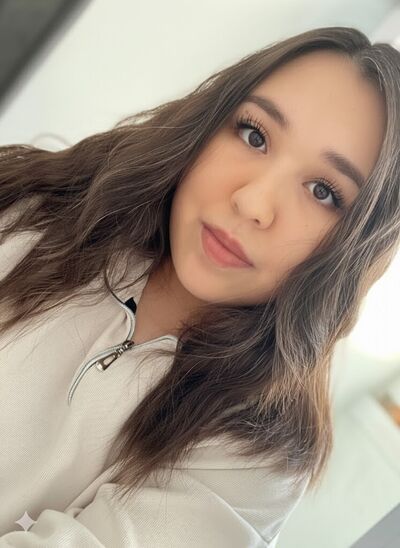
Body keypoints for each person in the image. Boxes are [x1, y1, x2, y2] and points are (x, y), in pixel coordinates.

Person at [0, 25, 399, 547]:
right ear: (209, 123)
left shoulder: (255, 455)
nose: (253, 203)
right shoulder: (34, 212)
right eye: (254, 136)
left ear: (354, 249)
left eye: (323, 191)